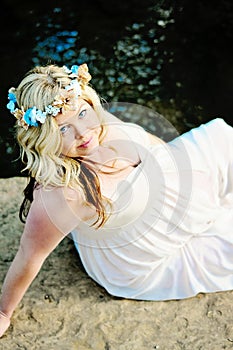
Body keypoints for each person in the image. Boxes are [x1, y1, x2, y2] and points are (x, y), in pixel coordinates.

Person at [1, 62, 233, 338]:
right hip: (145, 251)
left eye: (84, 113)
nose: (83, 133)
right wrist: (4, 312)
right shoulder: (63, 194)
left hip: (169, 192)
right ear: (44, 137)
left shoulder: (95, 126)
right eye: (63, 129)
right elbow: (30, 256)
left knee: (221, 136)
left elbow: (152, 144)